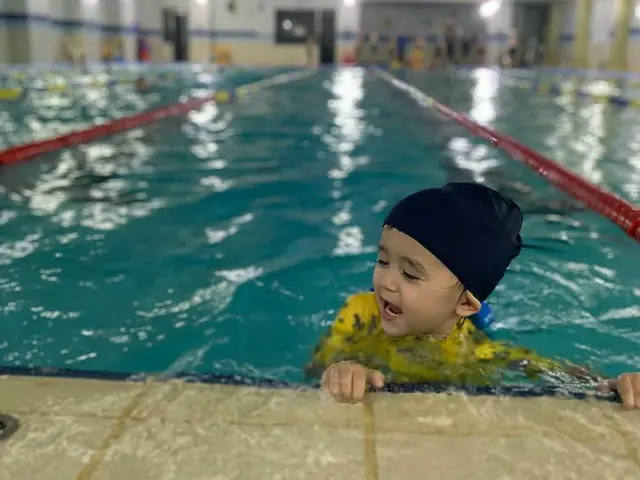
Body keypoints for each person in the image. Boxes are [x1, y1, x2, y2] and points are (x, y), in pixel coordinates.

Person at [305, 182, 640, 408]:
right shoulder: (360, 312)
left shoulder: (476, 351)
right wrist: (341, 370)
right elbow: (316, 365)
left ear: (465, 304)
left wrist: (611, 384)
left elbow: (550, 371)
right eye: (382, 260)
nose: (386, 282)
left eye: (409, 273)